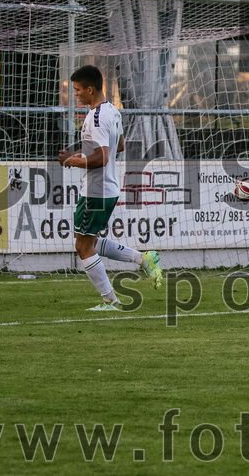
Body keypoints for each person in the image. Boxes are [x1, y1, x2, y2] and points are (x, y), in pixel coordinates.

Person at [56, 65, 163, 311]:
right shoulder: (112, 111)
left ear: (90, 89)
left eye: (78, 90)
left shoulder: (96, 117)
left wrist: (73, 161)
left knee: (83, 247)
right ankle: (142, 258)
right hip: (107, 188)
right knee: (90, 241)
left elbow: (103, 158)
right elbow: (119, 145)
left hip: (96, 190)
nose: (75, 94)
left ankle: (110, 301)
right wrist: (77, 154)